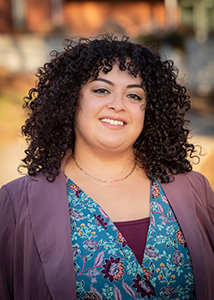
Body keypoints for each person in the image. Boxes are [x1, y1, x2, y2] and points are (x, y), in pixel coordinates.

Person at [0, 34, 213, 300]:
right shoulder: (14, 203)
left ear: (149, 110)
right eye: (101, 90)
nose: (118, 105)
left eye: (134, 95)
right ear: (70, 101)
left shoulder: (195, 190)